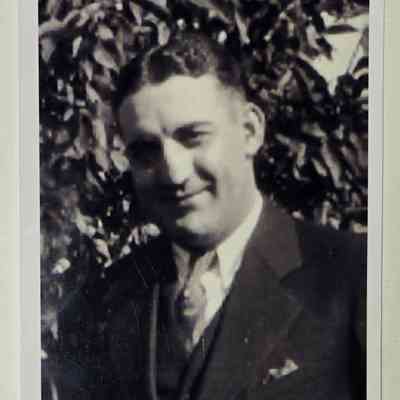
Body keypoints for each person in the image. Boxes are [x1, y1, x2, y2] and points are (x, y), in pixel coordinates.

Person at [58, 32, 366, 400]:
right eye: (146, 151)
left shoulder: (358, 276)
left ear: (250, 131)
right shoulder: (98, 305)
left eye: (193, 137)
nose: (175, 173)